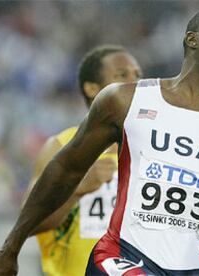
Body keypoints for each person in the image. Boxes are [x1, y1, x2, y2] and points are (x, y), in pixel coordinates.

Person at [0, 6, 199, 276]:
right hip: (122, 258)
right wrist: (9, 249)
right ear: (192, 39)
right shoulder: (126, 101)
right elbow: (65, 169)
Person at [23, 45, 142, 276]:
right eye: (122, 75)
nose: (134, 83)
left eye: (137, 75)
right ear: (92, 88)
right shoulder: (60, 147)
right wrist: (78, 188)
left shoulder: (151, 149)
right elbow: (28, 224)